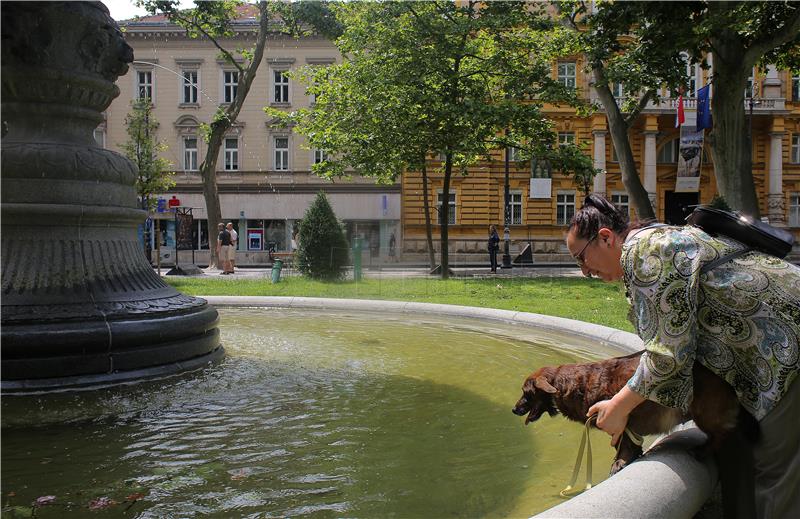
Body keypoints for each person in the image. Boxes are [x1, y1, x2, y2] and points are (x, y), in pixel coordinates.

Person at [565, 193, 799, 519]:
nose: (584, 271)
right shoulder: (651, 245)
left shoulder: (646, 252)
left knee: (775, 473)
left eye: (581, 258)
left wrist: (619, 408)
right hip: (766, 352)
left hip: (786, 349)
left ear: (604, 238)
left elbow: (668, 355)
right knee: (745, 459)